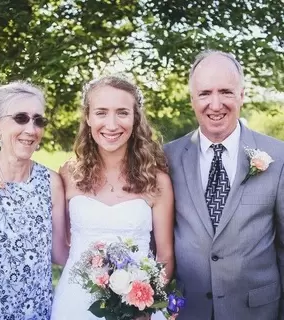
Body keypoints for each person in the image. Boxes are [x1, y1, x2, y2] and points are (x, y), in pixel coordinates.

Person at [164, 49, 284, 320]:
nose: (215, 104)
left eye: (226, 92)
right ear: (192, 99)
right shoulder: (167, 158)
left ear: (242, 94)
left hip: (258, 312)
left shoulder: (278, 157)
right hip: (187, 312)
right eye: (205, 93)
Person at [51, 75, 174, 320]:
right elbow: (61, 248)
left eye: (122, 113)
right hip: (75, 304)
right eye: (101, 112)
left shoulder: (157, 180)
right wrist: (88, 278)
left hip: (137, 309)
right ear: (87, 117)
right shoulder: (68, 174)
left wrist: (144, 302)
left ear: (135, 118)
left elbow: (165, 256)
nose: (112, 124)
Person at [0, 81, 68, 319]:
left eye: (39, 120)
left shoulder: (51, 183)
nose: (31, 129)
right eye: (21, 118)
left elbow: (60, 253)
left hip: (35, 312)